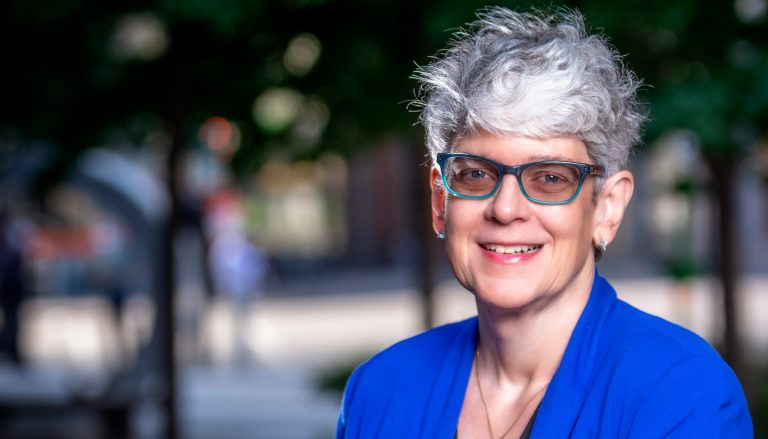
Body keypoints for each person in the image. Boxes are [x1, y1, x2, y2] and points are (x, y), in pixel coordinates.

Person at [336, 6, 753, 438]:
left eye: (550, 178)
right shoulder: (381, 389)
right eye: (476, 174)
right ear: (442, 200)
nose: (506, 208)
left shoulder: (680, 394)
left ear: (607, 208)